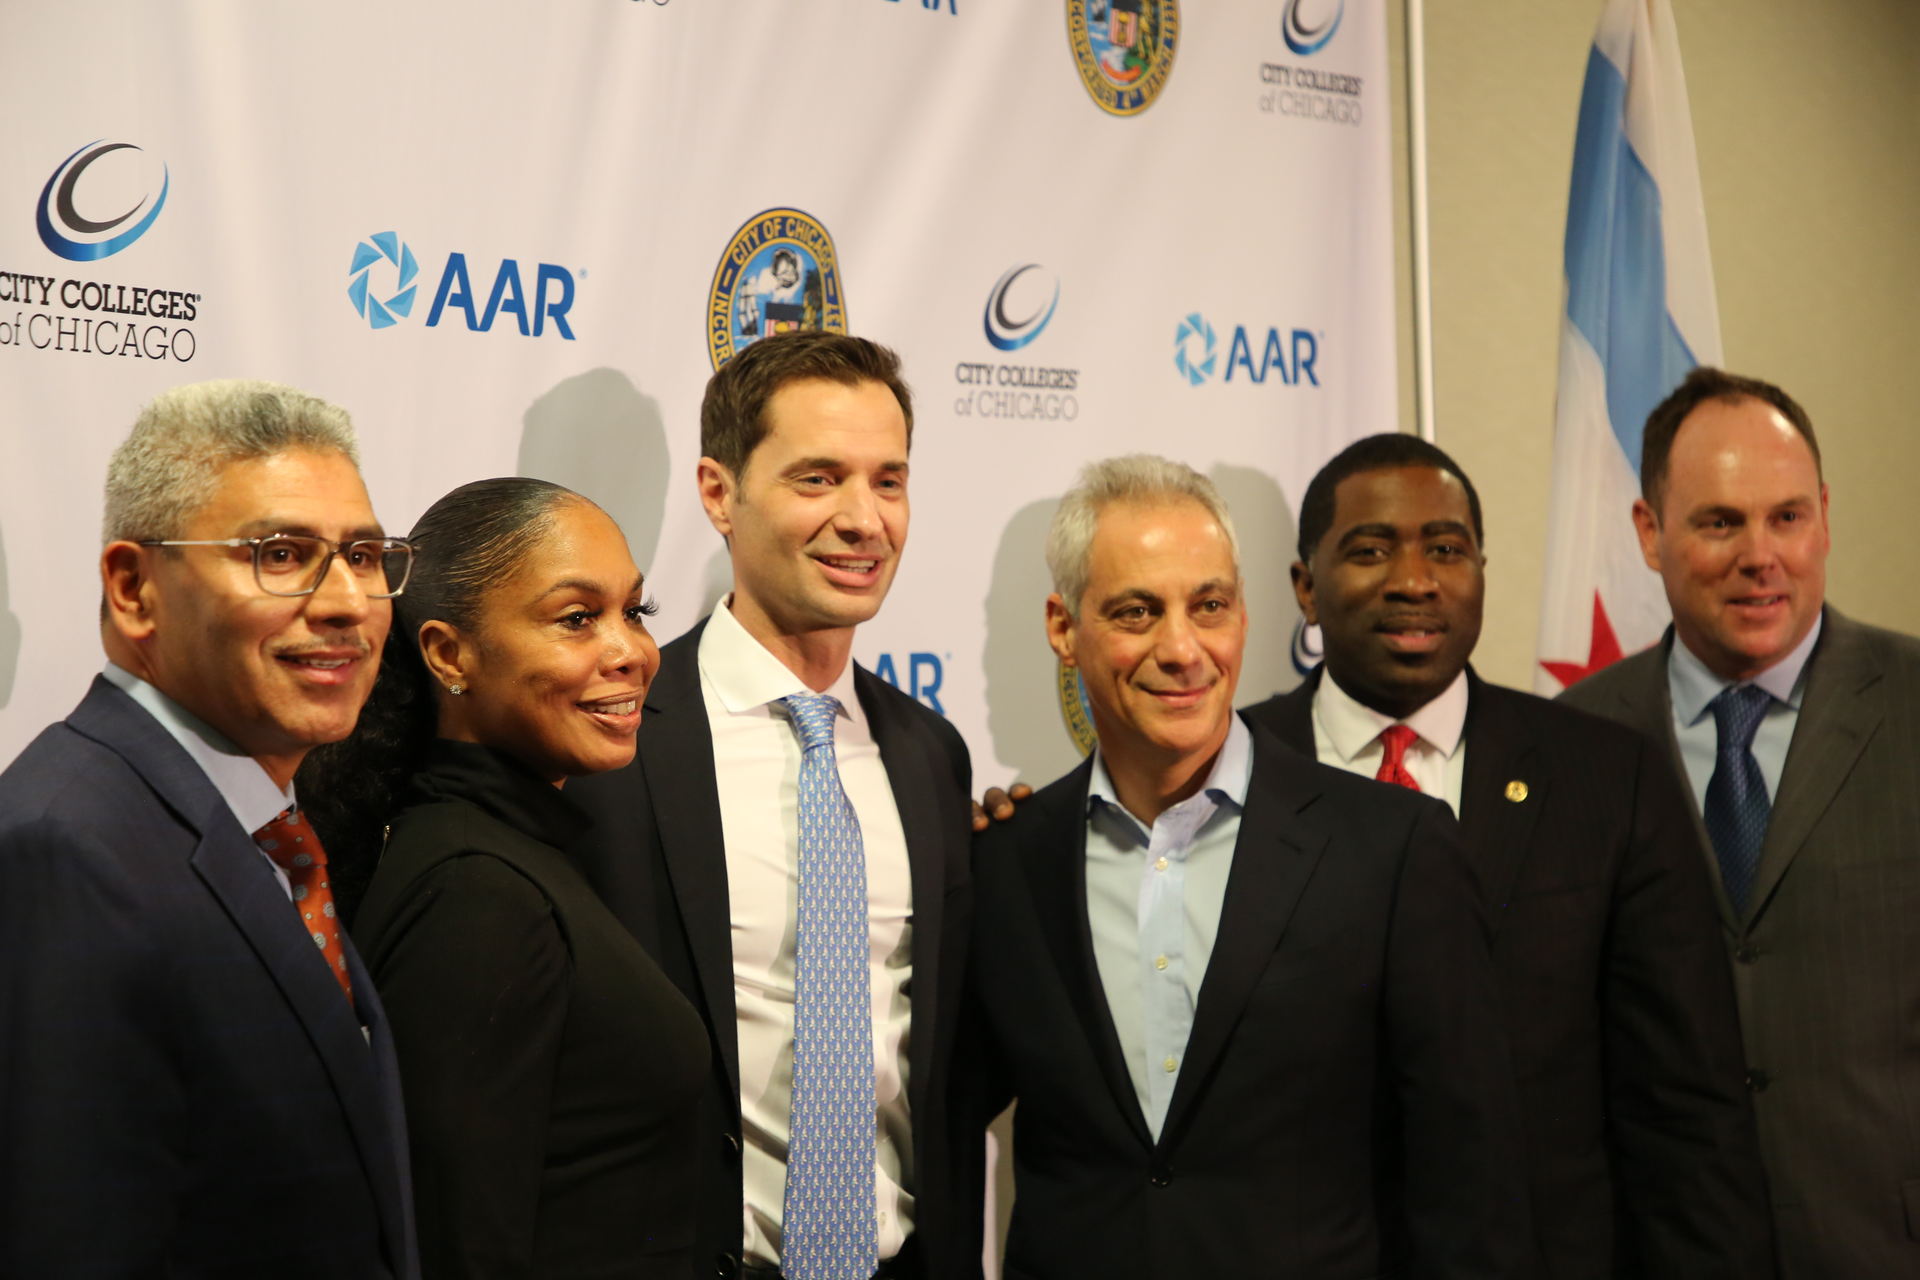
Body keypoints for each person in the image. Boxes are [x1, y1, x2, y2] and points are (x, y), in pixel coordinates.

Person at [956, 455, 1531, 1278]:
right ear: (1063, 627)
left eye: (1209, 606)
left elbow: (1469, 1182)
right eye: (1136, 611)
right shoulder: (1004, 862)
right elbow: (936, 1133)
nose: (1181, 649)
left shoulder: (1392, 847)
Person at [1237, 433, 1773, 1277]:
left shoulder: (1608, 777)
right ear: (1306, 587)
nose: (1415, 580)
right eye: (1371, 550)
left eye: (1446, 550)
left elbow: (1684, 1109)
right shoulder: (1229, 775)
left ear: (1481, 571)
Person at [566, 331, 974, 1280]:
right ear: (719, 493)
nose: (863, 519)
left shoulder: (929, 755)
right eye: (818, 479)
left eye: (888, 481)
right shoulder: (614, 741)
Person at [0, 380, 417, 1278]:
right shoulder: (65, 850)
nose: (347, 601)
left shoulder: (265, 829)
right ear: (133, 588)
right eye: (280, 554)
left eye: (363, 555)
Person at [299, 478, 711, 1279]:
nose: (631, 651)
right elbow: (458, 1246)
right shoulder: (475, 893)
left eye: (636, 611)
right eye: (577, 618)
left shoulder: (514, 852)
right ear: (449, 655)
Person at [1560, 367, 1920, 1278]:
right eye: (1720, 522)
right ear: (1650, 533)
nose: (1761, 555)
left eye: (1787, 517)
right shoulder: (1571, 742)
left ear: (1824, 517)